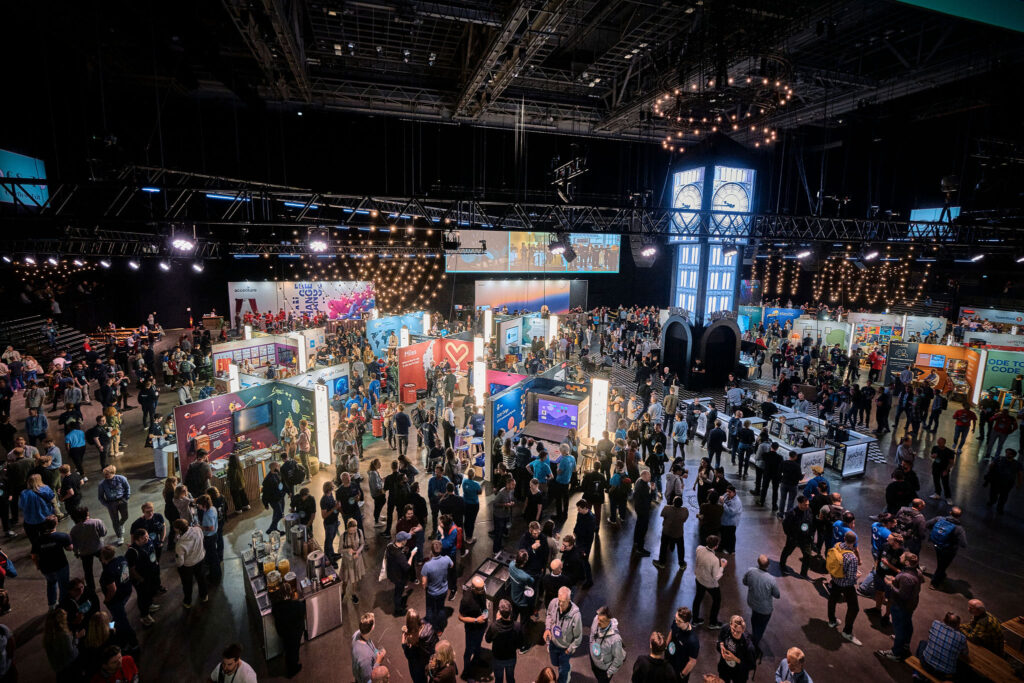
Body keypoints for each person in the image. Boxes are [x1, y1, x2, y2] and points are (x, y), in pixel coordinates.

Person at [877, 551, 922, 661]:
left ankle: (896, 652)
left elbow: (902, 595)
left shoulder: (906, 577)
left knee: (899, 628)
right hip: (911, 604)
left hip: (901, 606)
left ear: (906, 562)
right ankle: (905, 644)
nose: (900, 556)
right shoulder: (917, 572)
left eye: (902, 556)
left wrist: (890, 584)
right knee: (907, 624)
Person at [98, 545, 138, 652]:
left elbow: (112, 589)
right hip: (126, 591)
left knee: (123, 621)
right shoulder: (122, 559)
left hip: (116, 598)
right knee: (117, 615)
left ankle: (133, 643)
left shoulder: (107, 572)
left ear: (103, 558)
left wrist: (107, 599)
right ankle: (112, 627)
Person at [826, 531, 862, 646]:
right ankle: (847, 632)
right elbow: (851, 578)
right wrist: (858, 576)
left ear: (844, 538)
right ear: (854, 542)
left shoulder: (837, 546)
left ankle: (832, 621)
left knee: (832, 600)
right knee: (854, 608)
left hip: (835, 580)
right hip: (846, 585)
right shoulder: (852, 558)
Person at [32, 515, 73, 610]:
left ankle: (51, 605)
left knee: (51, 583)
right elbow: (69, 548)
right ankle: (63, 606)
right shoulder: (62, 536)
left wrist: (38, 566)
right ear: (56, 523)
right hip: (61, 565)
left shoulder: (38, 540)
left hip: (46, 567)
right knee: (64, 586)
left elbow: (34, 556)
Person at [544, 586, 582, 683]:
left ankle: (565, 675)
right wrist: (548, 628)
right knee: (555, 663)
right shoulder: (554, 602)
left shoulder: (575, 615)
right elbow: (548, 615)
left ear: (569, 600)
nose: (560, 604)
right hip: (553, 643)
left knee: (563, 671)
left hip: (565, 649)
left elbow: (578, 637)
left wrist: (569, 650)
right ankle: (566, 667)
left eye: (563, 602)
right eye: (559, 600)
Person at [742, 555, 780, 647]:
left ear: (758, 563)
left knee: (754, 619)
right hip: (765, 609)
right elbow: (777, 595)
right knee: (761, 627)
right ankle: (754, 644)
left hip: (753, 603)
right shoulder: (771, 579)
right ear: (768, 565)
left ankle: (754, 636)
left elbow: (744, 582)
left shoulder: (750, 571)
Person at [917, 613, 968, 681]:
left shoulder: (935, 624)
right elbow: (965, 653)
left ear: (944, 620)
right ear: (958, 625)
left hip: (926, 664)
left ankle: (917, 673)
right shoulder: (962, 638)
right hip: (944, 674)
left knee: (922, 643)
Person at [925, 506, 967, 588]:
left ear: (950, 512)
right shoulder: (959, 528)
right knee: (942, 566)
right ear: (959, 516)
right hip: (949, 550)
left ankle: (941, 575)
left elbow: (927, 524)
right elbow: (963, 544)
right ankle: (934, 583)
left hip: (937, 545)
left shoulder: (939, 519)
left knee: (941, 563)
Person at [172, 518, 208, 608]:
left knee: (187, 584)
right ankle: (204, 596)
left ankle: (187, 602)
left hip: (188, 566)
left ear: (178, 530)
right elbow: (202, 539)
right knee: (201, 579)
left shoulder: (180, 544)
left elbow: (180, 561)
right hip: (200, 558)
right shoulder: (198, 529)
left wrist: (179, 567)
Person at [272, 586, 307, 678]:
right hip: (295, 633)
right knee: (294, 650)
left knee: (288, 649)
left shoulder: (276, 607)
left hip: (284, 633)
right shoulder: (297, 606)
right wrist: (296, 600)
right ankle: (293, 669)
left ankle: (290, 665)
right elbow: (303, 610)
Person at [693, 535, 726, 629]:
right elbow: (716, 577)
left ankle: (695, 620)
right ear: (716, 546)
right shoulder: (714, 560)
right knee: (717, 600)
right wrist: (722, 567)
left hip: (699, 579)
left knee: (698, 598)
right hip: (709, 584)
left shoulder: (699, 548)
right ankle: (713, 622)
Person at [459, 575, 489, 677]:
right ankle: (467, 672)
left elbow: (483, 604)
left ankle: (477, 660)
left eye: (483, 587)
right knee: (468, 651)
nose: (483, 590)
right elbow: (460, 617)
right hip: (472, 629)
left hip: (481, 626)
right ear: (473, 588)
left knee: (478, 645)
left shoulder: (482, 591)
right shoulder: (466, 600)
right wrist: (476, 620)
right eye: (481, 589)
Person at [421, 541, 453, 631]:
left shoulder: (427, 565)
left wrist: (425, 588)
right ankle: (440, 628)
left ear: (431, 550)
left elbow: (424, 583)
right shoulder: (446, 559)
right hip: (443, 590)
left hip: (432, 592)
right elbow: (452, 565)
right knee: (441, 609)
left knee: (430, 608)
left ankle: (430, 626)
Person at [589, 605, 626, 683]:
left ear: (609, 620)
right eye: (598, 619)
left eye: (601, 621)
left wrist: (609, 673)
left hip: (604, 669)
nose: (598, 623)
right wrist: (591, 644)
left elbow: (618, 659)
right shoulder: (596, 619)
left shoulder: (615, 639)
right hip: (594, 660)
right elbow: (592, 634)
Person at [779, 496, 814, 577]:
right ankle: (782, 564)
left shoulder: (808, 510)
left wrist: (810, 534)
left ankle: (804, 572)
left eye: (808, 504)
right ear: (799, 503)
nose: (807, 506)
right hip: (794, 537)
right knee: (787, 551)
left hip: (805, 538)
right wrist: (790, 535)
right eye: (805, 505)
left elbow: (811, 522)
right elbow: (785, 525)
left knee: (807, 555)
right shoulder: (792, 513)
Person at [716, 615, 756, 683]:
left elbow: (751, 665)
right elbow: (720, 638)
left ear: (743, 630)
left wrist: (735, 659)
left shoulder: (748, 647)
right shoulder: (725, 628)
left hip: (739, 674)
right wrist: (721, 645)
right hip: (724, 668)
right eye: (733, 630)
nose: (734, 633)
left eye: (738, 632)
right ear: (730, 624)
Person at [402, 609, 439, 683]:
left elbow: (409, 655)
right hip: (432, 659)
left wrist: (403, 639)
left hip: (419, 665)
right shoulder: (429, 626)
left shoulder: (413, 639)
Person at [97, 466, 130, 545]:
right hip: (111, 503)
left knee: (125, 516)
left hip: (122, 500)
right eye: (104, 474)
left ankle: (121, 524)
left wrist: (126, 497)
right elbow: (100, 497)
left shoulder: (121, 479)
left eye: (107, 474)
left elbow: (127, 488)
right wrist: (107, 504)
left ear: (113, 473)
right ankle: (119, 536)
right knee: (115, 521)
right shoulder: (102, 484)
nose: (105, 476)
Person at [654, 496, 688, 571]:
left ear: (673, 502)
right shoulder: (685, 511)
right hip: (678, 532)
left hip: (667, 531)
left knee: (663, 546)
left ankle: (661, 563)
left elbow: (662, 515)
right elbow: (684, 519)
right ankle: (682, 564)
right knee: (680, 548)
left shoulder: (667, 508)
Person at [983, 447, 1023, 513]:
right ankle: (992, 501)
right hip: (996, 481)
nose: (1007, 454)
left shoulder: (1017, 464)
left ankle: (999, 507)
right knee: (993, 493)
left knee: (1003, 496)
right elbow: (991, 466)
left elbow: (1020, 474)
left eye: (1010, 454)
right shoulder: (999, 458)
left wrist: (1019, 483)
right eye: (1007, 453)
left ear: (1013, 455)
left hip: (1008, 483)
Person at [387, 532, 417, 617]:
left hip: (392, 573)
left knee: (398, 590)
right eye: (406, 539)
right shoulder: (400, 555)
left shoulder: (390, 546)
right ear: (403, 541)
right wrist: (411, 555)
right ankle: (398, 610)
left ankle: (398, 605)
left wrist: (402, 550)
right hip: (399, 577)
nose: (407, 540)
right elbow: (407, 566)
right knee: (398, 593)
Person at [667, 608, 700, 683]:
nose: (676, 621)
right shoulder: (676, 622)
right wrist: (666, 646)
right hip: (669, 660)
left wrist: (682, 674)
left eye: (679, 621)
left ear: (687, 623)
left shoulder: (693, 641)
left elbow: (692, 661)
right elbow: (671, 632)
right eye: (675, 618)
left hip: (679, 668)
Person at [353, 613, 387, 683]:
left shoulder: (357, 634)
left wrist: (376, 652)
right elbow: (369, 679)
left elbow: (369, 645)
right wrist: (378, 661)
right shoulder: (365, 658)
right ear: (372, 627)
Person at [340, 519, 366, 605]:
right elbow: (339, 550)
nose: (353, 533)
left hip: (357, 559)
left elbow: (362, 544)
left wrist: (358, 552)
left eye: (354, 530)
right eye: (351, 531)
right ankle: (343, 592)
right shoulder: (343, 536)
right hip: (347, 561)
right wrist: (348, 550)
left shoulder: (359, 532)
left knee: (355, 580)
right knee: (345, 580)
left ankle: (354, 594)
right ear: (347, 529)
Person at [632, 469, 656, 556]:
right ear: (644, 476)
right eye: (649, 476)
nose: (650, 477)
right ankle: (640, 548)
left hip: (638, 508)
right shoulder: (644, 486)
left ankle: (636, 541)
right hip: (643, 510)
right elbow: (649, 499)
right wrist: (652, 490)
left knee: (638, 525)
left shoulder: (638, 481)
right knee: (643, 528)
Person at [261, 462, 286, 534]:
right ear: (274, 467)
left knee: (276, 514)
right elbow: (265, 493)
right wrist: (265, 504)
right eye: (278, 466)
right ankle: (271, 529)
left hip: (279, 497)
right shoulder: (268, 479)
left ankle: (274, 529)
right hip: (274, 500)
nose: (279, 467)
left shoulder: (276, 474)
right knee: (279, 514)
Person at [929, 437, 955, 504]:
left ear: (944, 443)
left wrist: (946, 470)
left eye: (940, 443)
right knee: (936, 481)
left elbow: (951, 462)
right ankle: (937, 493)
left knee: (945, 483)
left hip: (944, 469)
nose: (938, 444)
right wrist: (933, 456)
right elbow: (931, 456)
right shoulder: (935, 448)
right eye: (938, 442)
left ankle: (948, 497)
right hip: (935, 468)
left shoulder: (949, 452)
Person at [720, 486, 742, 554]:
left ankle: (731, 550)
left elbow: (731, 512)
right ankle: (723, 547)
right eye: (727, 491)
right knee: (724, 535)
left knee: (730, 537)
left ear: (734, 492)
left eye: (729, 492)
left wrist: (723, 504)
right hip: (725, 520)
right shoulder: (727, 495)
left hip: (731, 522)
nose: (727, 493)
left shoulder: (736, 502)